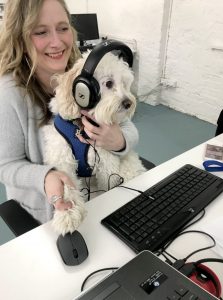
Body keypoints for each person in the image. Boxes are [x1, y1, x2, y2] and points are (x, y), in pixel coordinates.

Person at [0, 0, 139, 224]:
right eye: (41, 32)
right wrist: (45, 177)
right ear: (21, 38)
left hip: (103, 196)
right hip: (50, 211)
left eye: (63, 28)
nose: (56, 42)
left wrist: (119, 140)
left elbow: (126, 125)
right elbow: (6, 166)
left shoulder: (85, 69)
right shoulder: (9, 93)